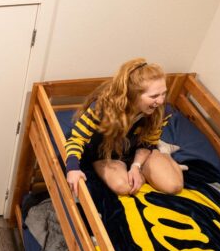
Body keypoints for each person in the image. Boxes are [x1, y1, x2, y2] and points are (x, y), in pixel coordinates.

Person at [65, 58, 183, 198]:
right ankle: (153, 164)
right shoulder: (101, 109)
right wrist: (72, 168)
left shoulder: (162, 111)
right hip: (106, 153)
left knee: (174, 186)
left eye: (163, 93)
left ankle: (163, 153)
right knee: (123, 187)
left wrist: (136, 166)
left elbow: (148, 143)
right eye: (154, 96)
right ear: (134, 95)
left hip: (137, 150)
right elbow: (76, 139)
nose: (161, 100)